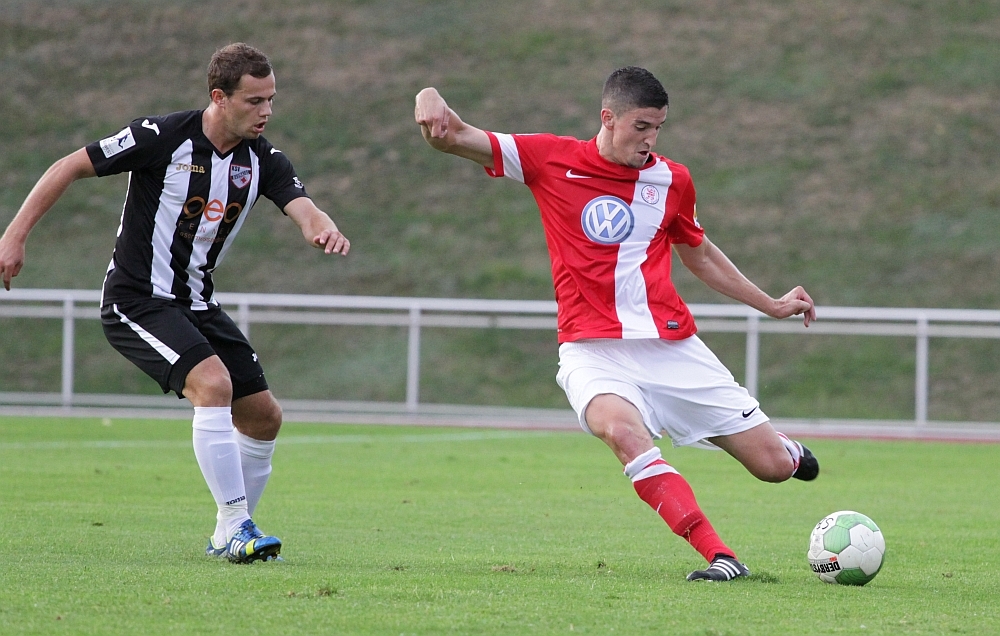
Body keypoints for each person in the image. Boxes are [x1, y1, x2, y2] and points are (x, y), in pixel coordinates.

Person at [414, 66, 819, 581]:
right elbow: (452, 136)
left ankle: (785, 450)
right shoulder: (548, 158)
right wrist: (428, 95)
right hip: (592, 351)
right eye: (641, 127)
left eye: (658, 128)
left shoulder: (672, 180)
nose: (650, 140)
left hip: (670, 347)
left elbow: (699, 254)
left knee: (772, 468)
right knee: (624, 433)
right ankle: (720, 556)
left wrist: (770, 304)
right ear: (608, 118)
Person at [0, 43, 350, 564]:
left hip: (197, 303)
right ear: (219, 97)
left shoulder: (262, 159)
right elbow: (68, 166)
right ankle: (238, 525)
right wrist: (14, 235)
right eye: (254, 101)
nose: (267, 112)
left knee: (263, 418)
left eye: (271, 99)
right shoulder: (160, 137)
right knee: (213, 385)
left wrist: (321, 227)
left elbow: (304, 207)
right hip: (136, 300)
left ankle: (227, 534)